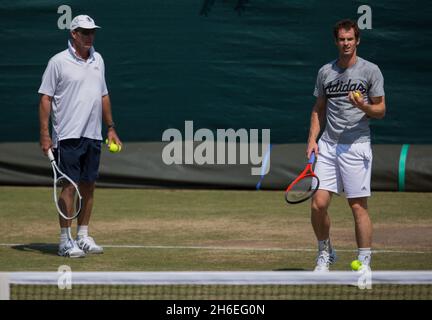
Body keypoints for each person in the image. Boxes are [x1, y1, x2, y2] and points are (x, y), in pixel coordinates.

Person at [38, 15, 121, 257]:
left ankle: (82, 236)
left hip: (93, 135)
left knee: (89, 187)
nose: (89, 36)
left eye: (92, 32)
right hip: (67, 136)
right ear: (73, 34)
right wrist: (45, 135)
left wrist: (111, 127)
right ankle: (65, 241)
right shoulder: (58, 62)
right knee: (69, 187)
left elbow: (103, 95)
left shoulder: (98, 60)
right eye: (84, 32)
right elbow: (45, 98)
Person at [306, 19, 385, 271]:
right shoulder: (325, 72)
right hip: (328, 145)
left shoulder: (371, 71)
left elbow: (381, 110)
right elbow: (318, 109)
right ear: (336, 41)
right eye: (342, 39)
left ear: (357, 40)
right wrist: (312, 141)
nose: (346, 43)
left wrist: (363, 106)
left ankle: (364, 262)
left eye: (350, 38)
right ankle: (325, 252)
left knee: (357, 206)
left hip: (357, 146)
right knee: (318, 204)